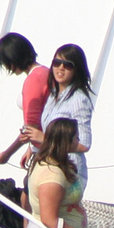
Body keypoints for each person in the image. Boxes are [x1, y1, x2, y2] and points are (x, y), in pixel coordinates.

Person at [13, 43, 95, 189]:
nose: (60, 68)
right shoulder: (53, 95)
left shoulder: (79, 99)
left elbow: (84, 144)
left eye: (68, 65)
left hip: (68, 173)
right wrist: (33, 148)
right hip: (49, 167)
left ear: (77, 70)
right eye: (57, 63)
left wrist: (43, 138)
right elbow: (49, 131)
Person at [25, 118, 96, 228]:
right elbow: (49, 219)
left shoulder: (57, 164)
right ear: (66, 142)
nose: (78, 141)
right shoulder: (52, 175)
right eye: (76, 138)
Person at [0, 32, 49, 168]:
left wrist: (7, 153)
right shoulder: (45, 72)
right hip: (44, 146)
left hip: (46, 152)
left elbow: (31, 127)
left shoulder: (34, 80)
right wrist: (31, 148)